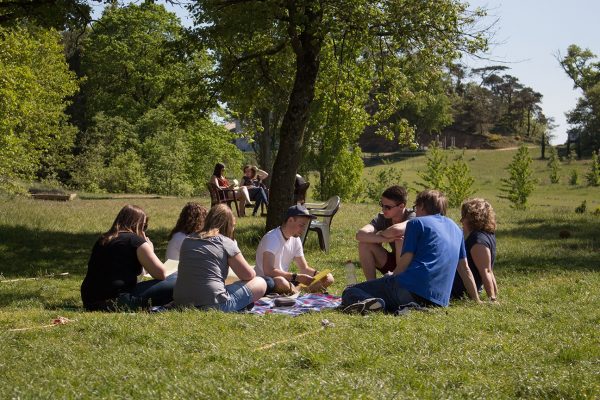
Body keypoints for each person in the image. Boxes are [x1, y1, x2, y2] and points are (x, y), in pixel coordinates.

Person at [341, 190, 481, 314]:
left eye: (416, 207)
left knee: (350, 291)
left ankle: (377, 305)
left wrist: (391, 276)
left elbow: (406, 260)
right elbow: (465, 269)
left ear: (421, 206)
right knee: (389, 291)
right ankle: (398, 306)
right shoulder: (456, 229)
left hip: (408, 289)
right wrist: (476, 300)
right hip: (439, 300)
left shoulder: (417, 223)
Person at [81, 205, 176, 311]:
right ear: (138, 224)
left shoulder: (104, 239)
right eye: (144, 226)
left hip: (90, 301)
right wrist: (149, 247)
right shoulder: (136, 241)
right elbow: (160, 274)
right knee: (177, 280)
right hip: (117, 301)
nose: (144, 231)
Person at [173, 204, 267, 311]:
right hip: (214, 304)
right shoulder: (226, 242)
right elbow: (248, 275)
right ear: (229, 225)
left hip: (181, 302)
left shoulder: (188, 240)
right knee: (260, 282)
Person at [255, 205, 334, 294]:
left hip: (287, 280)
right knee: (281, 282)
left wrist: (318, 274)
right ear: (290, 220)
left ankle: (296, 291)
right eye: (301, 225)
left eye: (305, 226)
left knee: (329, 278)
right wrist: (296, 277)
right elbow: (268, 271)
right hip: (267, 282)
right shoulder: (272, 238)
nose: (304, 229)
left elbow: (304, 268)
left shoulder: (296, 239)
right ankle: (298, 291)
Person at [356, 185, 415, 280]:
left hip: (412, 267)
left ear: (401, 206)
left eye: (388, 207)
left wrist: (379, 235)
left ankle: (398, 283)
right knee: (364, 244)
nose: (383, 209)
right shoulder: (383, 217)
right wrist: (383, 238)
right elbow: (360, 235)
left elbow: (397, 230)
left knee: (399, 238)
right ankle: (371, 285)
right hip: (394, 262)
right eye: (382, 205)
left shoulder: (412, 215)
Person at [451, 198, 498, 302]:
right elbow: (489, 270)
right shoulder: (488, 234)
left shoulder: (477, 240)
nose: (461, 220)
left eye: (464, 217)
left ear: (472, 219)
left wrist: (493, 298)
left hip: (460, 291)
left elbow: (486, 271)